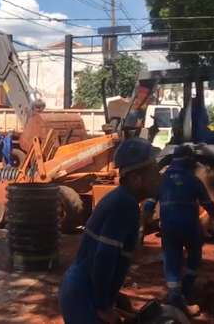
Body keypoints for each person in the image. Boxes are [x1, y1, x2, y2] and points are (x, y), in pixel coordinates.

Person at [59, 138, 161, 324]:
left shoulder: (122, 200)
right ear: (136, 179)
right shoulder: (124, 205)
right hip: (84, 299)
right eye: (154, 171)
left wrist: (115, 296)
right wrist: (103, 306)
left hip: (81, 291)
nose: (159, 177)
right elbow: (105, 256)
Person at [143, 145, 214, 316]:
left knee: (171, 259)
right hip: (190, 228)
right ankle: (186, 290)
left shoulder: (162, 180)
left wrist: (143, 224)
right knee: (194, 256)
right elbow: (209, 205)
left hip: (169, 228)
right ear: (190, 161)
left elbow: (149, 204)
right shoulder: (194, 180)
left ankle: (175, 295)